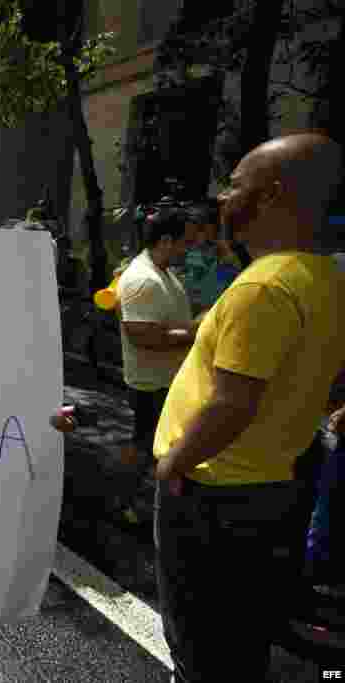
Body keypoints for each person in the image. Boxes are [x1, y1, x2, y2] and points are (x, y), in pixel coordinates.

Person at [152, 133, 345, 682]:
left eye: (236, 184)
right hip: (273, 486)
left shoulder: (262, 286)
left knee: (200, 640)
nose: (222, 196)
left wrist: (174, 463)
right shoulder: (328, 277)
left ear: (273, 194)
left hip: (213, 493)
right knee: (243, 633)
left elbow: (233, 404)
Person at [115, 208, 200, 519]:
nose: (189, 249)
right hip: (151, 382)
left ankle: (134, 502)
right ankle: (125, 504)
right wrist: (196, 334)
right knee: (144, 447)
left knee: (151, 445)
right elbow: (142, 336)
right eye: (185, 242)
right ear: (166, 241)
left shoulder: (163, 273)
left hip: (166, 379)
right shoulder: (143, 279)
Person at [180, 198, 247, 315]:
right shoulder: (186, 253)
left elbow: (225, 284)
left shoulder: (226, 256)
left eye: (201, 228)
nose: (195, 234)